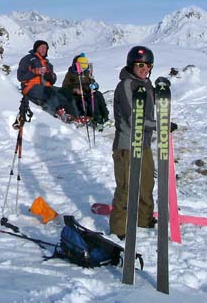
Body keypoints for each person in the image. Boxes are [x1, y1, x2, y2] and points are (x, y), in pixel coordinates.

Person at [109, 45, 157, 239]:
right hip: (127, 145)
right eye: (140, 65)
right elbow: (133, 118)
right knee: (127, 187)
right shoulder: (126, 85)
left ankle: (144, 219)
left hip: (143, 144)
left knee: (146, 183)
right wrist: (159, 125)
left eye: (148, 65)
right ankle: (119, 229)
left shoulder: (147, 85)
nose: (145, 69)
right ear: (131, 65)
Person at [17, 40, 77, 120]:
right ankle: (59, 113)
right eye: (41, 47)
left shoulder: (48, 64)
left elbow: (53, 81)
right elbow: (20, 76)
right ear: (36, 48)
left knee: (65, 92)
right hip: (30, 87)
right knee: (48, 90)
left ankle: (75, 117)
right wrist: (35, 71)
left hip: (45, 87)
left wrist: (51, 76)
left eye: (45, 48)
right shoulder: (28, 59)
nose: (44, 49)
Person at [61, 54, 110, 125]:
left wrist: (94, 86)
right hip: (76, 95)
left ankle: (105, 116)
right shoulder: (70, 74)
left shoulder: (87, 73)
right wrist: (74, 90)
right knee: (90, 99)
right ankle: (95, 118)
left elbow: (93, 82)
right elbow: (64, 87)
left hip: (87, 92)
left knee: (98, 94)